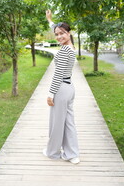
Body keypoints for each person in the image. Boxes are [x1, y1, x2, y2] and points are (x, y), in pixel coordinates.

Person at [43, 10, 80, 164]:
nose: (59, 37)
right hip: (69, 87)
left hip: (61, 89)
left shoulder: (65, 50)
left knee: (57, 123)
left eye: (62, 34)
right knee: (68, 122)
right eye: (56, 34)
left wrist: (51, 94)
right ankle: (72, 154)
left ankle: (52, 152)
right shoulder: (70, 47)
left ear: (69, 33)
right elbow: (59, 28)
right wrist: (50, 20)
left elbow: (57, 74)